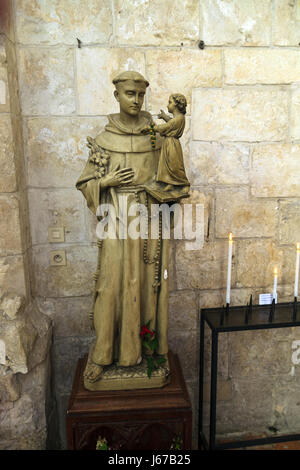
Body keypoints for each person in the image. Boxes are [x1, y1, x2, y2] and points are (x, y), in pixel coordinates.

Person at [76, 71, 188, 385]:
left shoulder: (156, 135)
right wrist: (105, 182)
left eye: (140, 95)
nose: (136, 101)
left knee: (148, 288)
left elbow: (171, 175)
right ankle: (103, 356)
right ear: (117, 96)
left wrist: (168, 195)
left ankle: (148, 353)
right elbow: (86, 183)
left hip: (148, 220)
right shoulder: (104, 140)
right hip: (115, 222)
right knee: (110, 286)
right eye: (129, 94)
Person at [147, 94, 190, 192]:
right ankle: (170, 183)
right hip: (168, 143)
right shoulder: (177, 118)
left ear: (176, 105)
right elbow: (171, 123)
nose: (167, 105)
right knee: (167, 166)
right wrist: (164, 117)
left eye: (170, 102)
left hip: (172, 144)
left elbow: (167, 127)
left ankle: (185, 183)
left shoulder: (179, 118)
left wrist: (151, 128)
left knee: (175, 166)